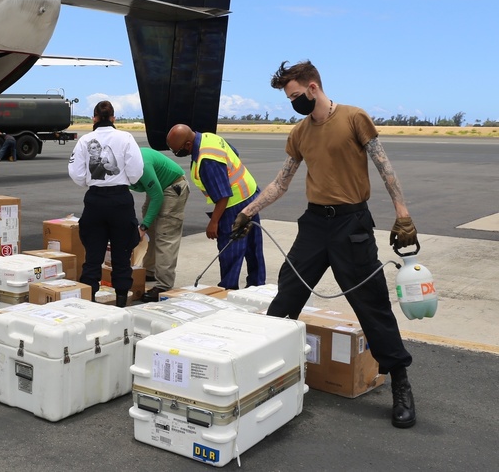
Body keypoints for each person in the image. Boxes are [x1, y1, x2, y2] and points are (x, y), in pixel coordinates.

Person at [231, 60, 418, 429]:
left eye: (296, 95)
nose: (293, 103)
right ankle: (266, 375)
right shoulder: (300, 132)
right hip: (315, 224)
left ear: (313, 87)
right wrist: (248, 211)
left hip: (353, 224)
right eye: (289, 98)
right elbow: (282, 182)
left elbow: (384, 166)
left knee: (372, 304)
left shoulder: (353, 118)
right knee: (286, 296)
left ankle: (400, 381)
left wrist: (403, 215)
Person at [166, 124, 264, 290]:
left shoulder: (207, 160)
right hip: (249, 193)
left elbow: (223, 195)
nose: (176, 153)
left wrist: (214, 223)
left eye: (177, 150)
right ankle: (257, 287)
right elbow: (235, 153)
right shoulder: (209, 138)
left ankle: (228, 291)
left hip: (234, 204)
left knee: (231, 251)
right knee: (253, 247)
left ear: (188, 145)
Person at [68, 101, 144, 307]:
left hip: (95, 201)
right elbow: (137, 171)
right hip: (120, 200)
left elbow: (76, 173)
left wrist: (89, 182)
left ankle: (89, 301)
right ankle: (120, 302)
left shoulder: (85, 140)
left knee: (93, 254)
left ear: (94, 118)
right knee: (122, 254)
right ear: (113, 118)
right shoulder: (126, 138)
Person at [130, 147, 189, 300]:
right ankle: (150, 271)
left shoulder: (141, 165)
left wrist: (143, 226)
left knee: (165, 233)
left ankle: (164, 285)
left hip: (172, 187)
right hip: (159, 187)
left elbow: (157, 196)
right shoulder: (120, 165)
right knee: (151, 231)